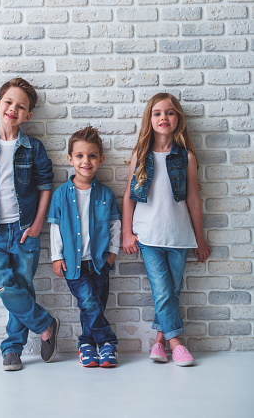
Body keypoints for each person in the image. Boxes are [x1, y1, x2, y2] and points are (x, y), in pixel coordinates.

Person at [0, 77, 59, 371]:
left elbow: (46, 185)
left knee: (23, 285)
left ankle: (12, 350)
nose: (13, 109)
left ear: (27, 116)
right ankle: (46, 324)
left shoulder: (33, 148)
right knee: (1, 282)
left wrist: (37, 223)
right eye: (8, 102)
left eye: (21, 107)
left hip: (24, 231)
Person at [122, 93, 211, 367]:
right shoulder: (141, 154)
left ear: (178, 119)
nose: (164, 117)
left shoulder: (187, 157)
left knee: (171, 292)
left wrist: (200, 237)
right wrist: (127, 232)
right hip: (148, 236)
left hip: (179, 236)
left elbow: (194, 199)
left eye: (170, 113)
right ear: (150, 119)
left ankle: (159, 341)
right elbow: (128, 196)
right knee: (162, 291)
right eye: (158, 113)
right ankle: (177, 343)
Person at [48, 126, 121, 367]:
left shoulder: (106, 195)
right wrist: (56, 257)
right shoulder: (60, 195)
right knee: (89, 303)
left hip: (100, 263)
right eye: (79, 156)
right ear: (70, 159)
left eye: (91, 156)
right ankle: (108, 341)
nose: (85, 161)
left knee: (94, 306)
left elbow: (114, 226)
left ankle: (88, 344)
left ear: (100, 159)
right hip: (73, 264)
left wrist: (112, 254)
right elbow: (56, 228)